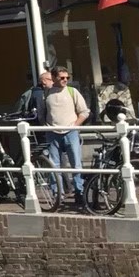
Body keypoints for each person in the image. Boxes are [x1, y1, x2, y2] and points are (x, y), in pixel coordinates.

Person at [46, 66, 90, 210]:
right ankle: (57, 194)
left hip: (71, 132)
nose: (65, 80)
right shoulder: (47, 93)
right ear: (54, 78)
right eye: (62, 77)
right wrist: (46, 126)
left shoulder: (72, 91)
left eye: (67, 78)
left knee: (76, 163)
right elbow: (42, 112)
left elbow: (84, 111)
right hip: (52, 132)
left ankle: (79, 192)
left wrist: (75, 125)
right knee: (54, 165)